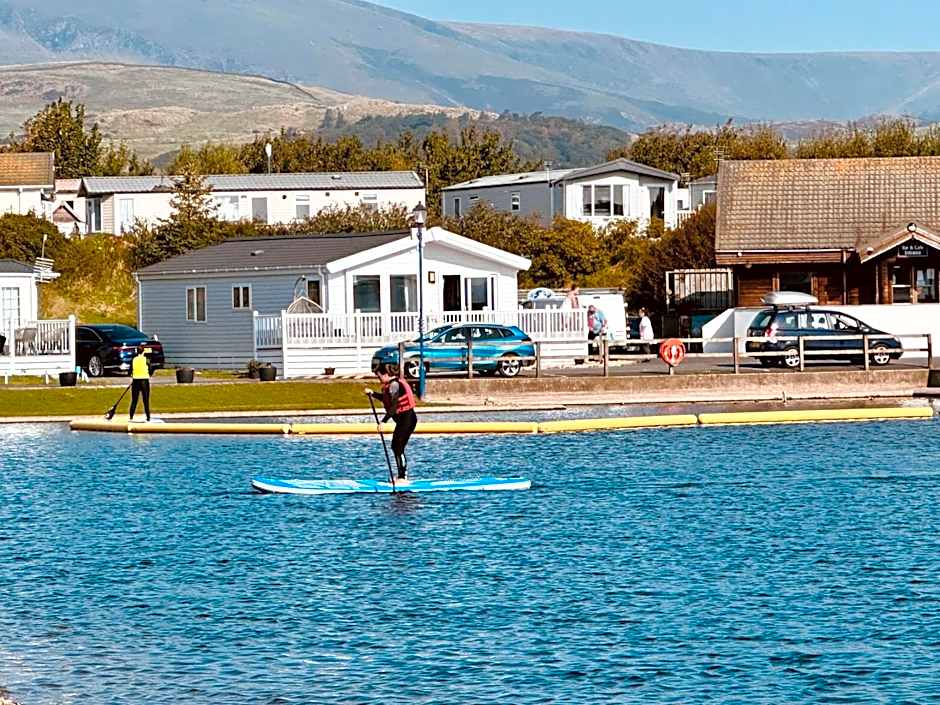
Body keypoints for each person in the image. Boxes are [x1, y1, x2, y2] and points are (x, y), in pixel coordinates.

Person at [366, 364, 418, 481]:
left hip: (408, 419)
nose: (378, 379)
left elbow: (394, 406)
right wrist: (372, 394)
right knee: (396, 446)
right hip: (402, 421)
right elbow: (386, 399)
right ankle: (401, 475)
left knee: (398, 446)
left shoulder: (394, 385)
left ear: (385, 375)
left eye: (379, 376)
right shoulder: (389, 386)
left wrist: (383, 421)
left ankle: (403, 476)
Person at [129, 344, 151, 422]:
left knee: (134, 400)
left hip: (135, 381)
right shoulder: (146, 359)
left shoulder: (133, 359)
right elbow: (150, 369)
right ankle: (148, 417)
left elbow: (130, 371)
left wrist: (132, 375)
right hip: (144, 381)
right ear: (143, 352)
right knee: (146, 400)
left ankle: (131, 417)